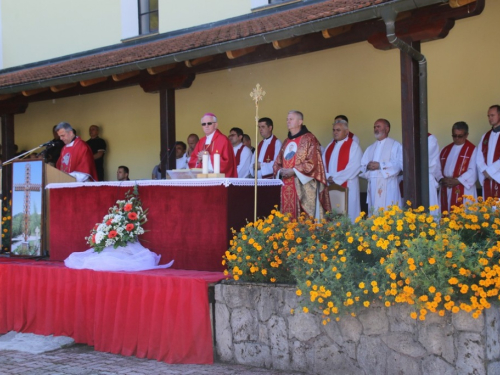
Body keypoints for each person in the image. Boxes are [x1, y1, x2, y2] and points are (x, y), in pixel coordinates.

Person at [273, 110, 331, 219]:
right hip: (286, 185)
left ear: (300, 122)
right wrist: (280, 171)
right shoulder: (286, 142)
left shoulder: (309, 139)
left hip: (304, 186)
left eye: (291, 119)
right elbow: (277, 163)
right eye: (287, 119)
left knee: (304, 220)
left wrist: (293, 171)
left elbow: (313, 162)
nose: (288, 121)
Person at [322, 118, 363, 222]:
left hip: (348, 185)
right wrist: (327, 177)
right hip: (331, 186)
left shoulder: (353, 146)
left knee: (348, 214)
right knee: (333, 215)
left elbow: (355, 167)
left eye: (338, 130)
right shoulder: (329, 146)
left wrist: (335, 178)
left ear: (346, 132)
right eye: (334, 130)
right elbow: (322, 165)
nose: (335, 132)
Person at [360, 119, 403, 213]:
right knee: (374, 211)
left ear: (387, 129)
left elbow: (399, 165)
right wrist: (368, 166)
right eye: (374, 127)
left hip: (388, 183)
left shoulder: (395, 145)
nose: (375, 129)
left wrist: (380, 166)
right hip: (372, 184)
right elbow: (362, 166)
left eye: (378, 126)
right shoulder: (370, 147)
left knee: (388, 210)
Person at [439, 121, 477, 212]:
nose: (457, 138)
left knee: (463, 218)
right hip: (446, 186)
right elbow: (437, 167)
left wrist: (458, 180)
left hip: (463, 188)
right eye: (454, 135)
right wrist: (442, 179)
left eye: (460, 136)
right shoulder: (445, 149)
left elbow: (473, 170)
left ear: (466, 135)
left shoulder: (472, 150)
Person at [188, 113, 237, 177]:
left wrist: (208, 158)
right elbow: (192, 161)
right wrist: (198, 160)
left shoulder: (223, 140)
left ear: (216, 125)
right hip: (202, 180)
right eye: (203, 124)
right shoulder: (201, 141)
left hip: (218, 180)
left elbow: (227, 163)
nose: (206, 126)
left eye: (209, 123)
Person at [477, 105, 500, 199]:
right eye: (488, 116)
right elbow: (479, 156)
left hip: (497, 177)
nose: (490, 118)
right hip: (487, 178)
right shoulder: (485, 136)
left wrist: (491, 171)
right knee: (487, 210)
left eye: (492, 115)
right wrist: (484, 170)